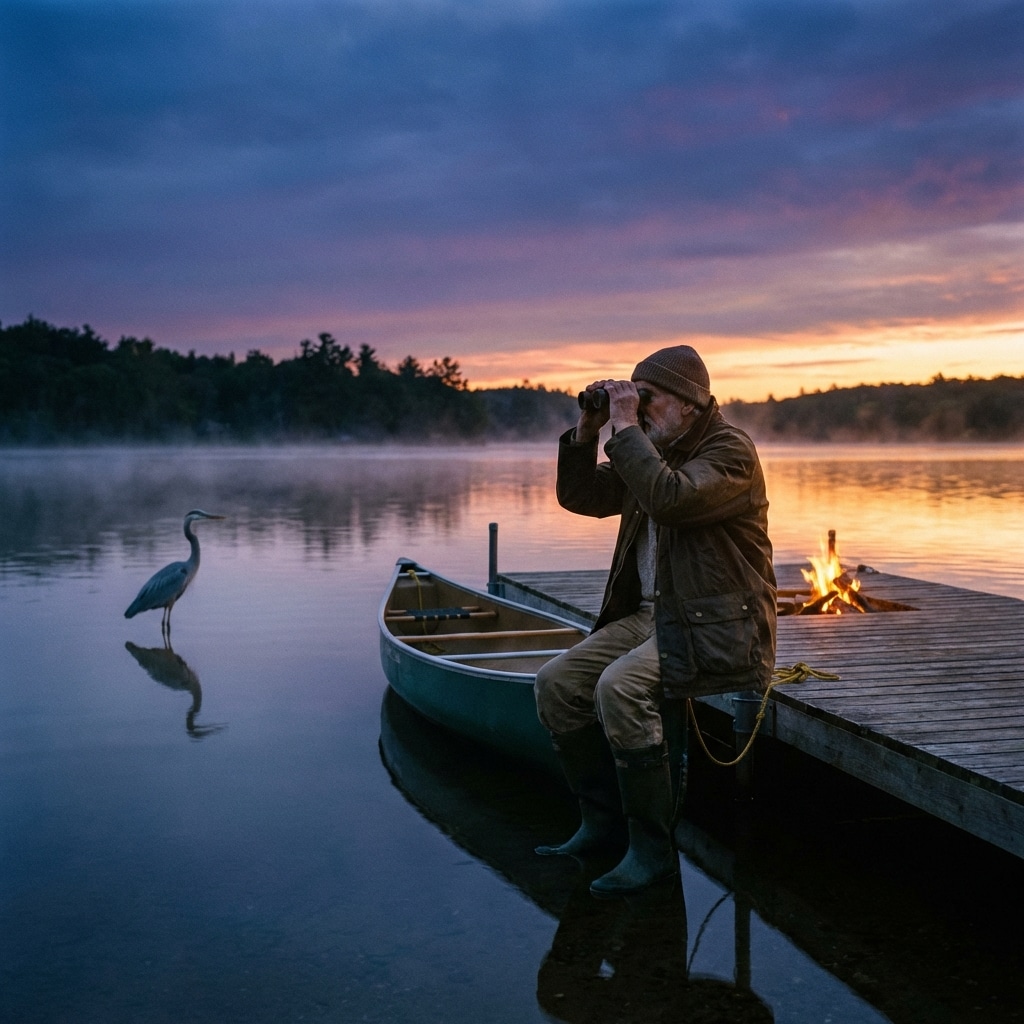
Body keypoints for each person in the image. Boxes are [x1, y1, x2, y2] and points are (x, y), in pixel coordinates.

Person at [533, 345, 776, 898]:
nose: (638, 411)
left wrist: (625, 430)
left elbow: (671, 500)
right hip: (652, 616)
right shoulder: (651, 448)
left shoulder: (731, 452)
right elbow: (581, 495)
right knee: (557, 684)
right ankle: (601, 826)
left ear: (690, 403)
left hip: (716, 624)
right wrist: (590, 428)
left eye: (648, 400)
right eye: (633, 399)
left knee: (620, 688)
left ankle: (653, 852)